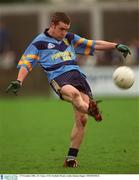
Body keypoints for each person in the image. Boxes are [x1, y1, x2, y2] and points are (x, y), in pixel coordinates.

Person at [6, 12, 131, 168]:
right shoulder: (39, 42)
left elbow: (93, 44)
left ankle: (71, 159)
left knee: (82, 120)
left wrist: (116, 46)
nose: (64, 32)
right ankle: (93, 110)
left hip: (78, 76)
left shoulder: (69, 38)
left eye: (66, 29)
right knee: (74, 94)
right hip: (59, 78)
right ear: (52, 25)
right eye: (61, 29)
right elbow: (26, 62)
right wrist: (19, 80)